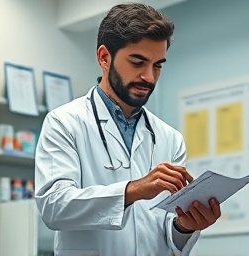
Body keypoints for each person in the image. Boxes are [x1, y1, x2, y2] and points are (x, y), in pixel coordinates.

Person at [34, 3, 222, 255]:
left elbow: (167, 230)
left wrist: (184, 226)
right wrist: (133, 190)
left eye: (157, 65)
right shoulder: (65, 122)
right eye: (138, 62)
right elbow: (53, 206)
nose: (149, 77)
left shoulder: (169, 138)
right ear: (104, 57)